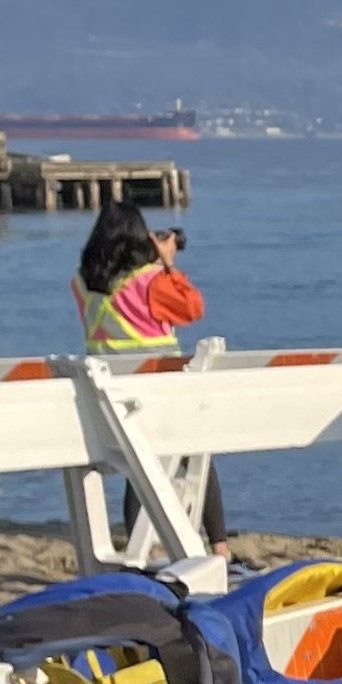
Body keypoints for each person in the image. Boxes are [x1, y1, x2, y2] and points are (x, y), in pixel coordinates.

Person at [72, 201, 223, 547]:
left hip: (112, 396)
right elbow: (193, 308)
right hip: (160, 388)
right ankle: (220, 545)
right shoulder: (151, 281)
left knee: (138, 472)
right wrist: (167, 264)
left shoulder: (82, 284)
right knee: (197, 458)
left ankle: (137, 548)